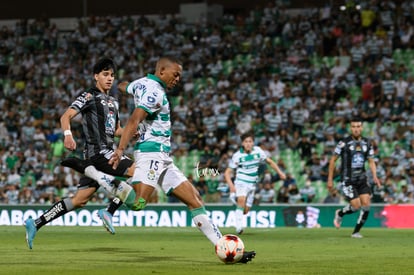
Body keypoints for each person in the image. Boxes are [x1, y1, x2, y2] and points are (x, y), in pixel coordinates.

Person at [108, 56, 255, 263]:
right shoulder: (155, 92)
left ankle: (224, 248)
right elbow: (134, 119)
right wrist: (120, 149)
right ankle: (103, 180)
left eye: (180, 76)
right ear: (161, 72)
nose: (177, 79)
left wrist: (118, 85)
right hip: (151, 153)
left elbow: (125, 86)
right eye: (175, 75)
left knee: (194, 199)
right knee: (139, 203)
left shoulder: (142, 83)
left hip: (163, 156)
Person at [24, 58, 138, 249]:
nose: (109, 78)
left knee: (79, 200)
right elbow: (65, 116)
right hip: (100, 152)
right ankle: (109, 211)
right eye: (105, 74)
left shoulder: (114, 102)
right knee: (139, 171)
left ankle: (36, 223)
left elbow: (116, 129)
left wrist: (129, 132)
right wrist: (68, 135)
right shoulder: (89, 96)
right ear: (96, 77)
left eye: (112, 75)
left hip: (103, 154)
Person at [327, 116, 381, 238]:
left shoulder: (367, 143)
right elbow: (332, 160)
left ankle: (356, 232)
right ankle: (340, 213)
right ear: (350, 128)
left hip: (362, 179)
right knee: (356, 207)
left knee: (366, 205)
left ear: (361, 128)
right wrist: (330, 179)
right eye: (353, 127)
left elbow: (371, 161)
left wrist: (375, 176)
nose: (356, 129)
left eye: (358, 126)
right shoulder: (343, 143)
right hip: (348, 180)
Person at [224, 131, 286, 235]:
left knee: (245, 211)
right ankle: (239, 227)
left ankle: (237, 200)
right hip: (241, 182)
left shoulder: (258, 151)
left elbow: (270, 162)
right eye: (246, 141)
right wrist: (231, 186)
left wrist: (280, 173)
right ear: (242, 143)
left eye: (250, 141)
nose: (248, 143)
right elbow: (227, 173)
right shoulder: (237, 156)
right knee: (241, 200)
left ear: (253, 143)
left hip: (252, 184)